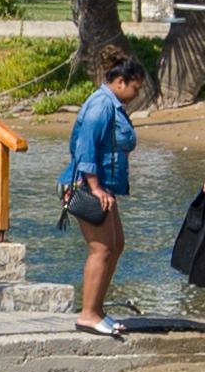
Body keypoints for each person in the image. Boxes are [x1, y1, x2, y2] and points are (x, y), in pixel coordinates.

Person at [60, 48, 148, 336]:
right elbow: (85, 145)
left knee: (116, 243)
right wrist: (95, 187)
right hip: (86, 185)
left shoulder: (112, 105)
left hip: (102, 187)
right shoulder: (101, 104)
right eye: (136, 87)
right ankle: (87, 314)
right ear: (120, 81)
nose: (137, 94)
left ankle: (97, 310)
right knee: (101, 248)